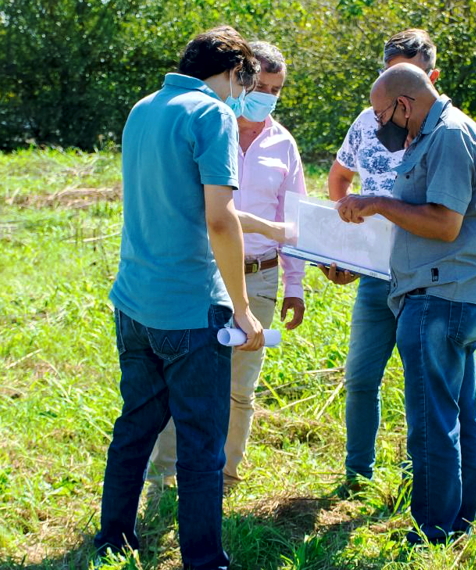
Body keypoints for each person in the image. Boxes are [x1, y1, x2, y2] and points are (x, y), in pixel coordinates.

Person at [325, 29, 476, 490]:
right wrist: (346, 248)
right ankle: (359, 477)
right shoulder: (370, 121)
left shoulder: (448, 131)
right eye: (389, 72)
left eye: (409, 75)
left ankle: (427, 494)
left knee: (432, 396)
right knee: (363, 377)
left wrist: (463, 245)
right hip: (379, 274)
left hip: (431, 280)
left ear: (424, 83)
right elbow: (340, 180)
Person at [95, 26, 264, 569]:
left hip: (134, 301)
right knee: (200, 444)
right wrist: (242, 308)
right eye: (246, 82)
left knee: (134, 427)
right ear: (235, 72)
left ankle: (113, 539)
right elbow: (220, 218)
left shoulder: (143, 108)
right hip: (191, 310)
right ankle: (204, 560)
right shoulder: (213, 114)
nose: (244, 95)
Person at [336, 63, 476, 544]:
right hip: (448, 293)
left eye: (382, 115)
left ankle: (431, 531)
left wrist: (378, 202)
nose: (379, 125)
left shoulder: (448, 135)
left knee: (431, 421)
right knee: (457, 415)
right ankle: (457, 522)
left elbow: (445, 224)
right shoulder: (434, 134)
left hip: (439, 296)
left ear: (404, 105)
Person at [148, 41, 308, 488]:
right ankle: (163, 479)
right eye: (263, 86)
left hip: (260, 274)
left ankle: (225, 478)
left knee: (240, 388)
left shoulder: (283, 143)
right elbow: (213, 215)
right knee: (185, 381)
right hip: (205, 272)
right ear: (243, 80)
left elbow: (293, 220)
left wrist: (294, 284)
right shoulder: (208, 125)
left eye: (277, 90)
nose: (268, 97)